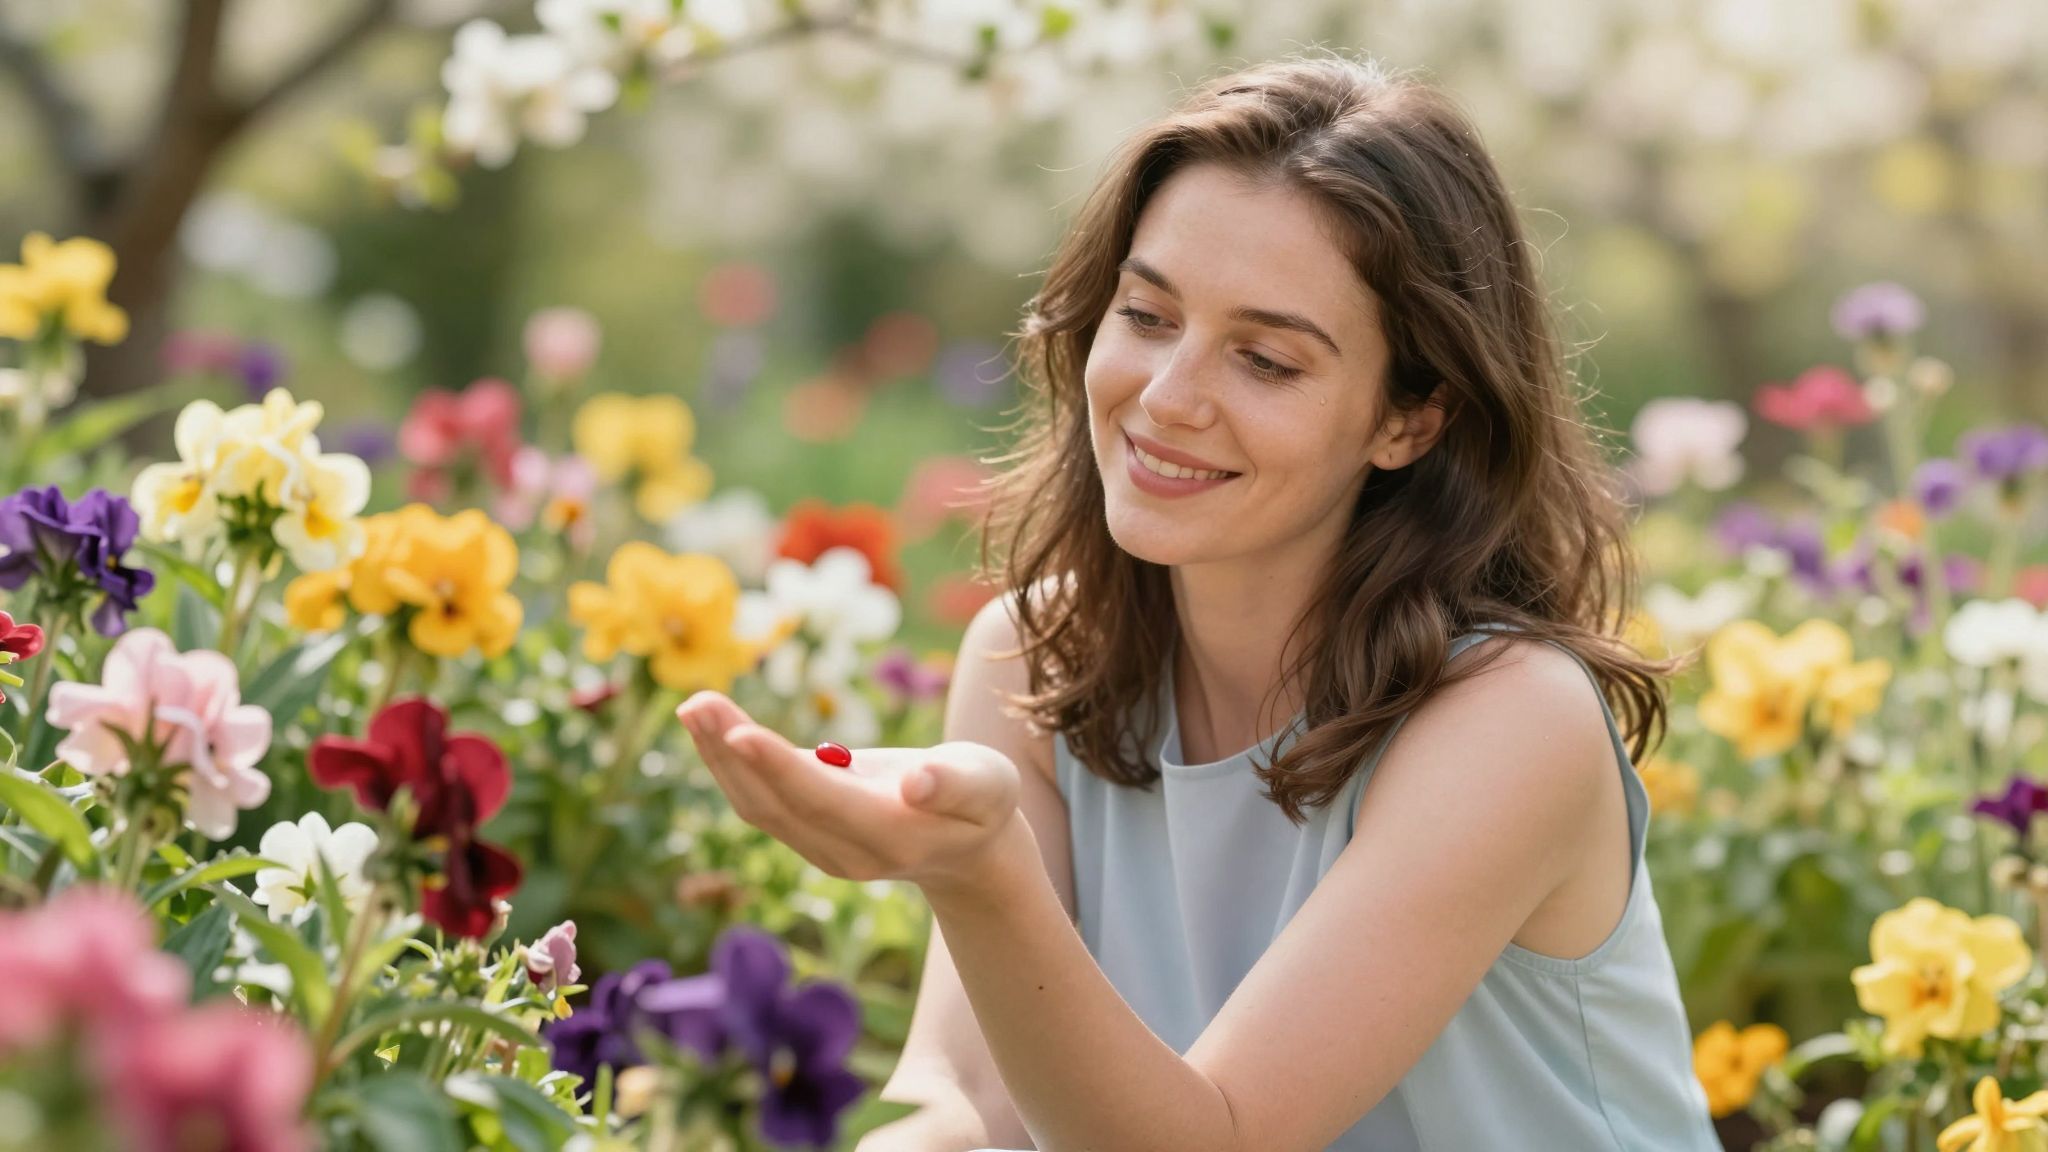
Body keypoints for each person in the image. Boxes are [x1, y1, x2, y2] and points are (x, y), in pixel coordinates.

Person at [678, 52, 1722, 1152]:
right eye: (1147, 314)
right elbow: (961, 1104)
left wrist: (978, 874)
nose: (1168, 398)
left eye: (1265, 361)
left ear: (1409, 419)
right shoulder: (1031, 659)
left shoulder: (1509, 721)